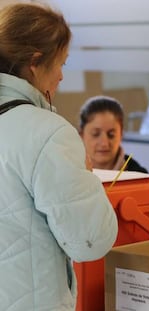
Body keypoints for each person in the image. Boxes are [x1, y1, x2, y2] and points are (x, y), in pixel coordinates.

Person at [0, 3, 118, 310]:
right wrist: (87, 177)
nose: (62, 77)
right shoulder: (48, 133)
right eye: (62, 64)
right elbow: (90, 241)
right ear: (36, 62)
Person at [79, 95, 148, 172]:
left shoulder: (139, 175)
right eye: (96, 134)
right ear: (81, 135)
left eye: (111, 135)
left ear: (121, 134)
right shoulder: (68, 172)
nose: (104, 143)